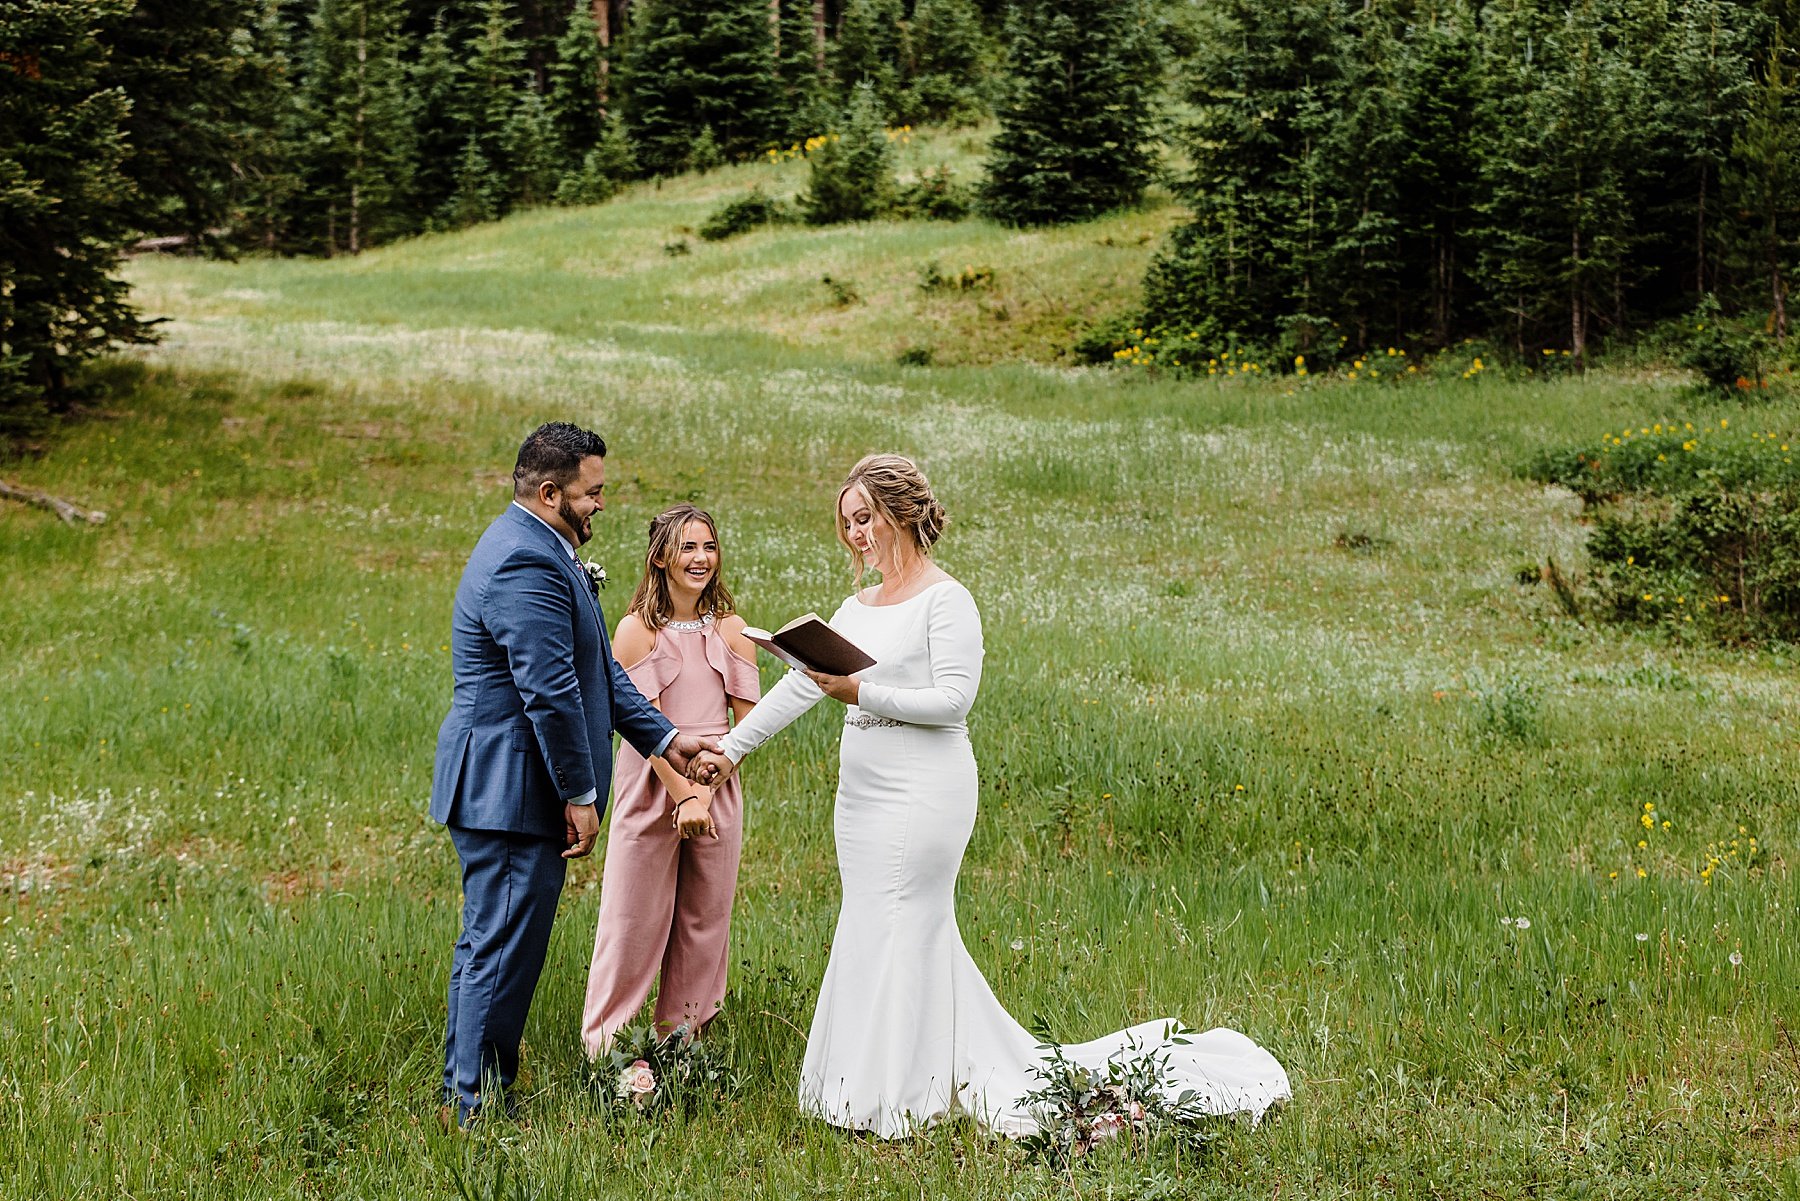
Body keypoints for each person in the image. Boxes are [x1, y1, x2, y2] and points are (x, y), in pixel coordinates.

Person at [692, 454, 1290, 1138]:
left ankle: (902, 1097)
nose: (856, 534)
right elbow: (805, 683)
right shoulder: (855, 607)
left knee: (907, 919)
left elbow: (952, 701)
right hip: (861, 794)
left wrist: (859, 691)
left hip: (925, 789)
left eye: (866, 518)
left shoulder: (948, 600)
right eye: (848, 523)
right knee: (869, 919)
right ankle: (861, 1084)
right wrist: (730, 751)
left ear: (902, 514)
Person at [431, 421, 713, 1127]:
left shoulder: (541, 549)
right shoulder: (526, 563)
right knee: (500, 947)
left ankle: (467, 1089)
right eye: (592, 493)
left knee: (496, 943)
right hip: (509, 785)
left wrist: (669, 739)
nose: (600, 504)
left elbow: (601, 674)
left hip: (509, 782)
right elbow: (551, 690)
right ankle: (474, 1107)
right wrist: (580, 794)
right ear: (550, 491)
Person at [580, 505, 761, 1055]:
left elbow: (748, 722)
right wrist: (682, 794)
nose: (701, 558)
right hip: (653, 780)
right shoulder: (636, 631)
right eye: (687, 548)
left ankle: (683, 1043)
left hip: (718, 780)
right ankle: (609, 1049)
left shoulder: (734, 630)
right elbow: (643, 724)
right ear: (660, 557)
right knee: (633, 918)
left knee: (706, 918)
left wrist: (707, 789)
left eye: (708, 546)